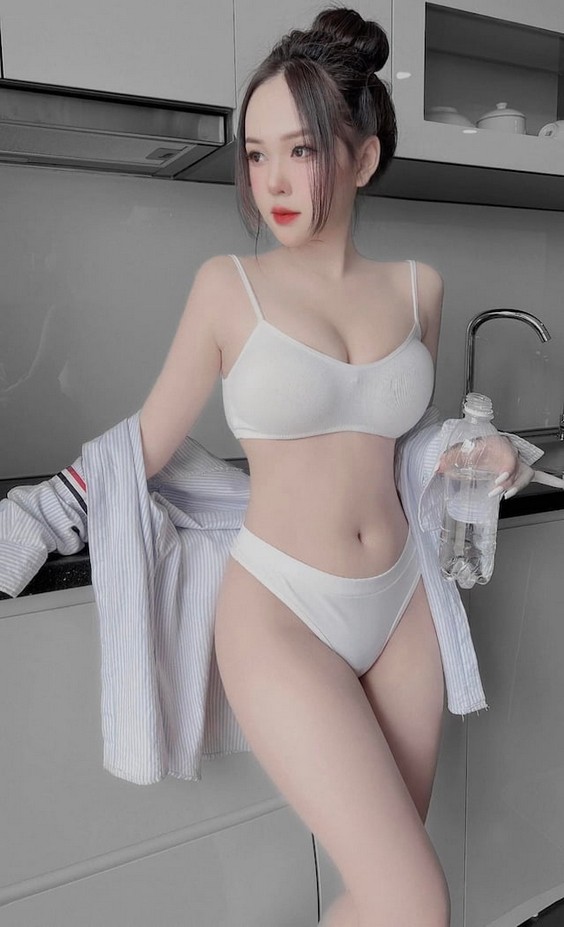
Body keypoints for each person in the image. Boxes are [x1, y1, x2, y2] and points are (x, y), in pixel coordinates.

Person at [137, 8, 526, 926]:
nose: (271, 180)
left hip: (402, 604)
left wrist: (481, 449)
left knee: (385, 898)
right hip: (281, 607)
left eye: (300, 151)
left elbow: (403, 443)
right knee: (414, 899)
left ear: (362, 157)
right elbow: (142, 445)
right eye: (256, 153)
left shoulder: (420, 288)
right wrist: (41, 512)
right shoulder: (227, 286)